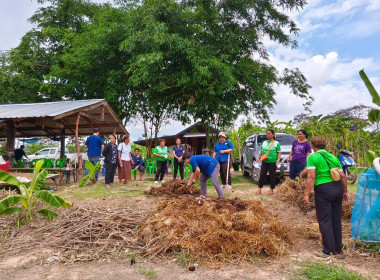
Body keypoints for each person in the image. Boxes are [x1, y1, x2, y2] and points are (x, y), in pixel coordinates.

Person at [303, 136, 348, 258]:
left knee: (324, 220)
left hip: (324, 190)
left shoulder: (313, 157)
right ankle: (338, 249)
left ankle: (328, 250)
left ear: (314, 146)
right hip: (338, 188)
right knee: (335, 219)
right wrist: (345, 191)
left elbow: (311, 177)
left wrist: (306, 194)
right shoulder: (333, 157)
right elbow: (343, 176)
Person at [256, 129, 281, 195]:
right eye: (267, 133)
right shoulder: (264, 142)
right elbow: (261, 151)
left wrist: (278, 159)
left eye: (269, 133)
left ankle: (271, 190)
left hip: (273, 162)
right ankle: (259, 189)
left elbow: (279, 152)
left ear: (273, 134)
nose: (268, 135)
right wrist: (259, 158)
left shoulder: (276, 143)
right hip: (265, 161)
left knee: (272, 176)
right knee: (262, 175)